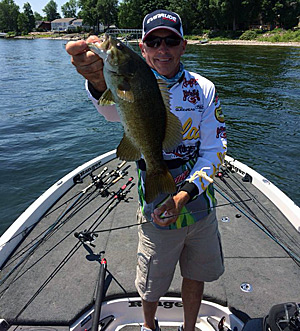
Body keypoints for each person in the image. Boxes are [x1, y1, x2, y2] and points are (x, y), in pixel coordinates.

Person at [66, 9, 226, 331]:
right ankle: (148, 326)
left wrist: (183, 195)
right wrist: (97, 80)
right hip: (155, 208)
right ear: (143, 48)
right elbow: (111, 110)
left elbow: (215, 149)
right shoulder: (132, 81)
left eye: (170, 40)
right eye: (154, 42)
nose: (162, 49)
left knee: (196, 275)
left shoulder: (204, 89)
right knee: (152, 283)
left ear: (183, 46)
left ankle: (190, 327)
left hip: (199, 204)